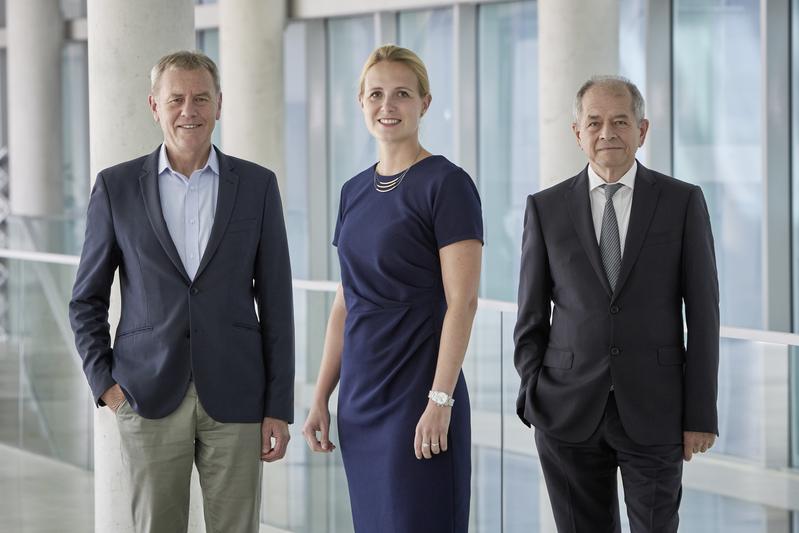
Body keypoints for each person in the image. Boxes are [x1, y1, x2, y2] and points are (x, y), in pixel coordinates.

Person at [69, 50, 294, 533]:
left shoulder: (257, 186)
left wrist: (277, 406)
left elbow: (277, 305)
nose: (188, 110)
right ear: (154, 105)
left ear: (219, 104)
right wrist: (105, 387)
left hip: (237, 395)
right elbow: (86, 298)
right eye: (176, 99)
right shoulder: (117, 187)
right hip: (145, 393)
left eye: (200, 98)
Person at [514, 75, 719, 533]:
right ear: (577, 133)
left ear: (642, 130)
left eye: (621, 121)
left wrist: (700, 413)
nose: (607, 132)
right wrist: (534, 395)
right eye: (595, 122)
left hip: (656, 411)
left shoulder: (682, 202)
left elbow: (704, 317)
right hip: (565, 414)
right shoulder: (545, 208)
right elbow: (530, 317)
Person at [301, 44, 483, 533]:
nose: (388, 105)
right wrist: (321, 394)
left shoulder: (447, 184)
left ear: (425, 103)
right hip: (361, 399)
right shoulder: (352, 191)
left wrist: (439, 401)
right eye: (376, 93)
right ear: (360, 102)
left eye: (402, 93)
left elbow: (462, 303)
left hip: (420, 397)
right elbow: (346, 302)